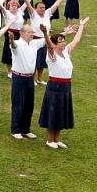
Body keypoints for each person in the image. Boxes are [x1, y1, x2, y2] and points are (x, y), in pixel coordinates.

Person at [38, 18, 89, 149]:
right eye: (60, 41)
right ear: (55, 44)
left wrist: (82, 25)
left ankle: (57, 138)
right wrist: (45, 33)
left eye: (64, 41)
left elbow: (76, 40)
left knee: (60, 112)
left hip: (66, 87)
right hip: (55, 87)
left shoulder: (66, 52)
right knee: (53, 112)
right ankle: (50, 140)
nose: (63, 43)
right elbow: (49, 45)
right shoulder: (51, 55)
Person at [8, 25, 45, 140]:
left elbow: (49, 39)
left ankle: (25, 129)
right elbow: (13, 46)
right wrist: (11, 40)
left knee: (29, 104)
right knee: (18, 103)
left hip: (30, 78)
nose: (31, 34)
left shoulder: (34, 43)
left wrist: (66, 33)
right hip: (18, 78)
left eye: (32, 32)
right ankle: (15, 130)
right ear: (22, 33)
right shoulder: (17, 44)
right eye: (29, 32)